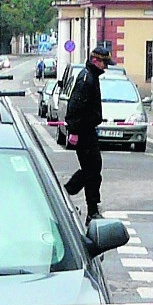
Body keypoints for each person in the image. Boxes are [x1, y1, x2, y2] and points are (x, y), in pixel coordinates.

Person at [63, 45, 114, 225]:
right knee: (92, 171)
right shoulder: (86, 79)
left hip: (87, 129)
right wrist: (75, 131)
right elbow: (75, 106)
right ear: (95, 61)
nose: (105, 67)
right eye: (104, 63)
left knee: (92, 169)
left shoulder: (91, 77)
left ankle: (67, 194)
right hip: (84, 131)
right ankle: (86, 206)